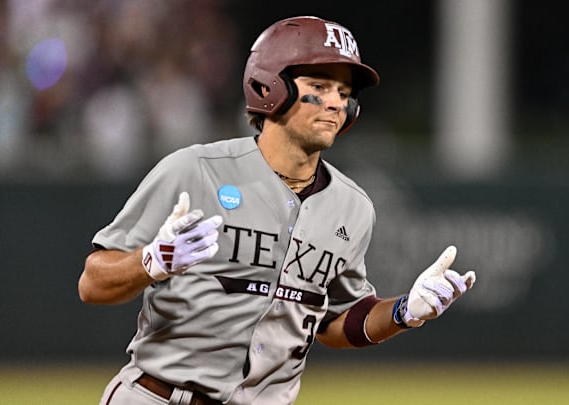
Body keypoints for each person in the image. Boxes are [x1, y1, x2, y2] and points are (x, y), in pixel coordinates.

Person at [78, 15, 476, 405]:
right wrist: (150, 261)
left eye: (344, 92)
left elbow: (337, 321)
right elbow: (92, 283)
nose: (336, 103)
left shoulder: (352, 208)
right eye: (319, 86)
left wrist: (404, 312)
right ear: (270, 87)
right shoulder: (195, 170)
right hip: (159, 395)